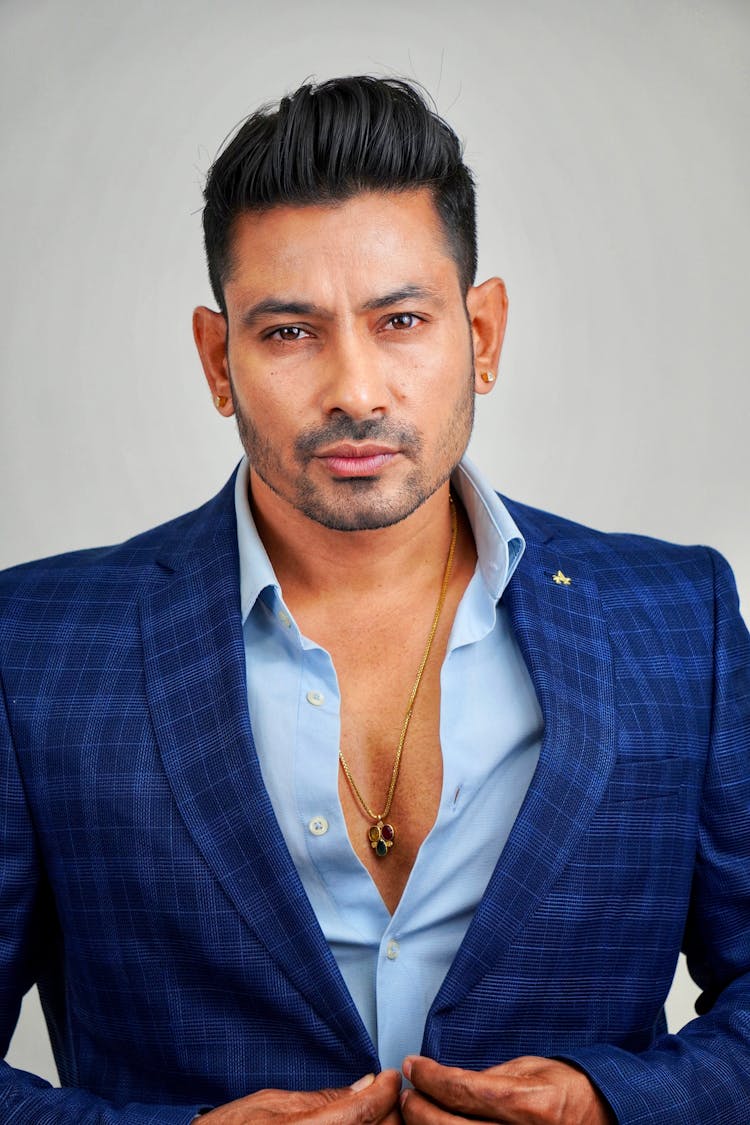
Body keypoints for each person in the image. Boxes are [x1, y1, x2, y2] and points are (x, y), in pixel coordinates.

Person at [1, 75, 748, 1125]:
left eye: (401, 319)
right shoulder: (31, 649)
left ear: (482, 333)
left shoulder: (679, 620)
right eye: (290, 333)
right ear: (219, 360)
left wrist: (612, 1106)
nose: (355, 388)